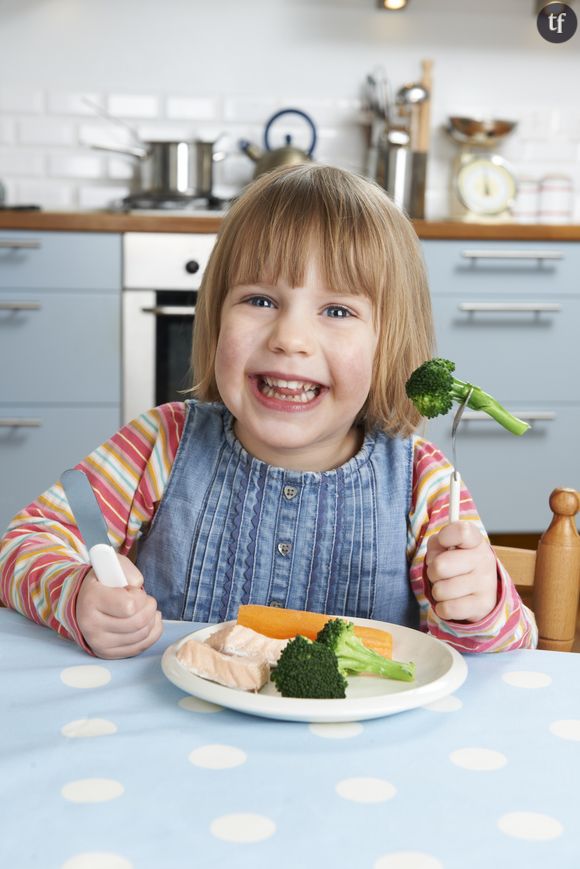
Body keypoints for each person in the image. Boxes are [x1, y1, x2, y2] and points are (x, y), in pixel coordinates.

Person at [0, 165, 537, 659]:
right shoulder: (160, 442)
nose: (291, 338)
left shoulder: (424, 482)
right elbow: (23, 545)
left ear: (388, 345)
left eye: (337, 310)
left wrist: (481, 604)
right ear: (215, 316)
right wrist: (76, 595)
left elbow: (508, 654)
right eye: (260, 300)